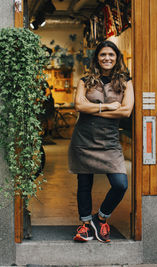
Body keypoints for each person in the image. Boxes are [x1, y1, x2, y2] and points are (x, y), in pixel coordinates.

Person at [68, 40, 134, 243]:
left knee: (120, 184)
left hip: (109, 142)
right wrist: (107, 107)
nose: (107, 58)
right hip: (84, 139)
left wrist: (94, 110)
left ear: (117, 58)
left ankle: (101, 218)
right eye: (103, 54)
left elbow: (126, 110)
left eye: (111, 55)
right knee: (84, 184)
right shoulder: (85, 80)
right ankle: (86, 225)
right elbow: (79, 105)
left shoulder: (125, 82)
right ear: (97, 57)